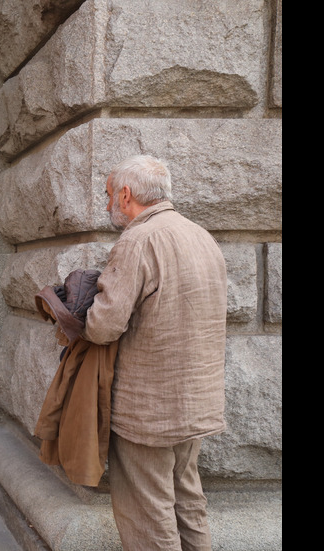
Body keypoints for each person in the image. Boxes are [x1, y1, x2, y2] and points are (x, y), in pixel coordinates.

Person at [82, 155, 227, 551]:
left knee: (149, 516)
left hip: (149, 410)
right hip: (194, 403)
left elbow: (103, 326)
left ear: (126, 195)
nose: (107, 203)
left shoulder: (138, 239)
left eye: (109, 195)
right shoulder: (200, 234)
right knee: (188, 503)